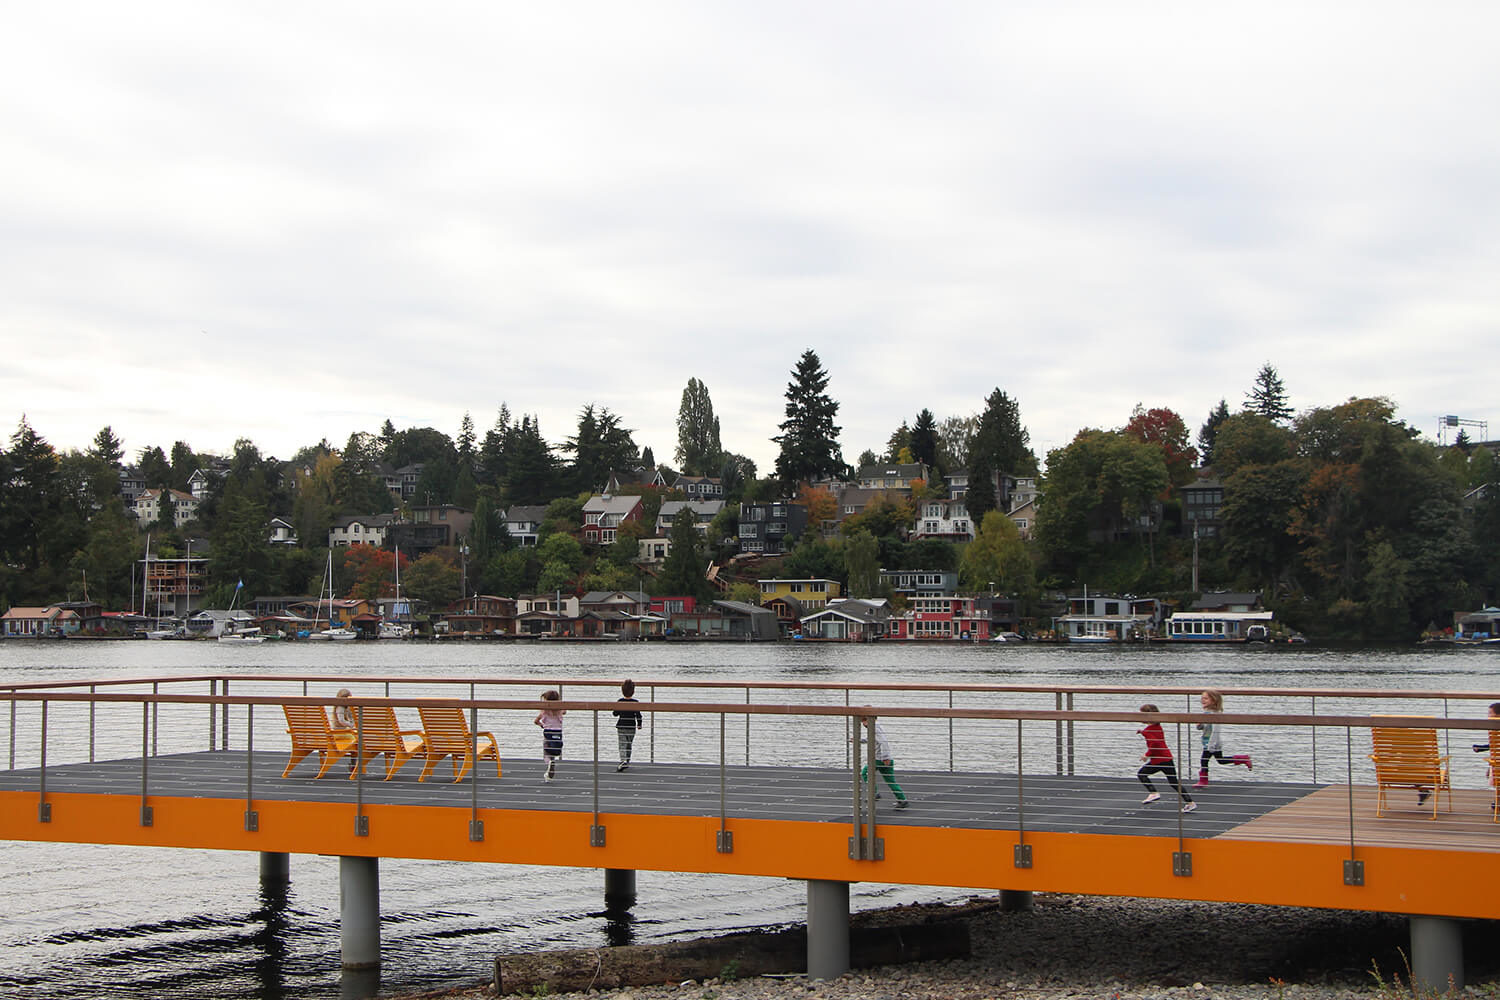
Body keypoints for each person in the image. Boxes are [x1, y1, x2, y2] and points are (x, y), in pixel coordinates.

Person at [1137, 704, 1195, 812]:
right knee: (1173, 782)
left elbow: (1154, 743)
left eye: (1141, 714)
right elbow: (1155, 738)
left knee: (1142, 774)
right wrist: (1143, 732)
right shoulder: (1157, 727)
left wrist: (1146, 755)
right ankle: (1190, 802)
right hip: (1167, 758)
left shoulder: (1149, 730)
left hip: (1158, 760)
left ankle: (1153, 793)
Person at [1194, 689, 1252, 787]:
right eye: (1202, 698)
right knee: (1220, 760)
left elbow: (1215, 731)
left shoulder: (1214, 715)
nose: (1202, 700)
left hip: (1212, 743)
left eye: (1206, 698)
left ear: (1213, 701)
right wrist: (1199, 724)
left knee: (1204, 760)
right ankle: (1242, 759)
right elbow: (1203, 727)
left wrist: (1211, 745)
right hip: (1208, 742)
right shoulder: (1206, 713)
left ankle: (1203, 781)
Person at [857, 718, 910, 809]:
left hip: (879, 759)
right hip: (886, 759)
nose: (863, 723)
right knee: (890, 781)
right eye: (862, 721)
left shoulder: (875, 728)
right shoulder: (876, 727)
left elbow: (883, 742)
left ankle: (874, 793)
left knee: (865, 773)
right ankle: (902, 799)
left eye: (864, 720)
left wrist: (885, 757)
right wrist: (859, 740)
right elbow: (872, 739)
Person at [612, 679, 643, 772]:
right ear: (633, 691)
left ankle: (623, 761)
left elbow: (615, 713)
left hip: (621, 726)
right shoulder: (636, 702)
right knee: (629, 744)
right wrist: (639, 724)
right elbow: (638, 715)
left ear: (622, 691)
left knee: (622, 744)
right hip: (631, 727)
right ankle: (627, 760)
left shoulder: (620, 701)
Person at [534, 689, 565, 781]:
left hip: (548, 732)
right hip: (558, 732)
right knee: (555, 748)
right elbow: (565, 711)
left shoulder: (544, 711)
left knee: (546, 751)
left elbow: (536, 721)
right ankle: (552, 760)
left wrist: (542, 725)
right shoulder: (560, 711)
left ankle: (549, 762)